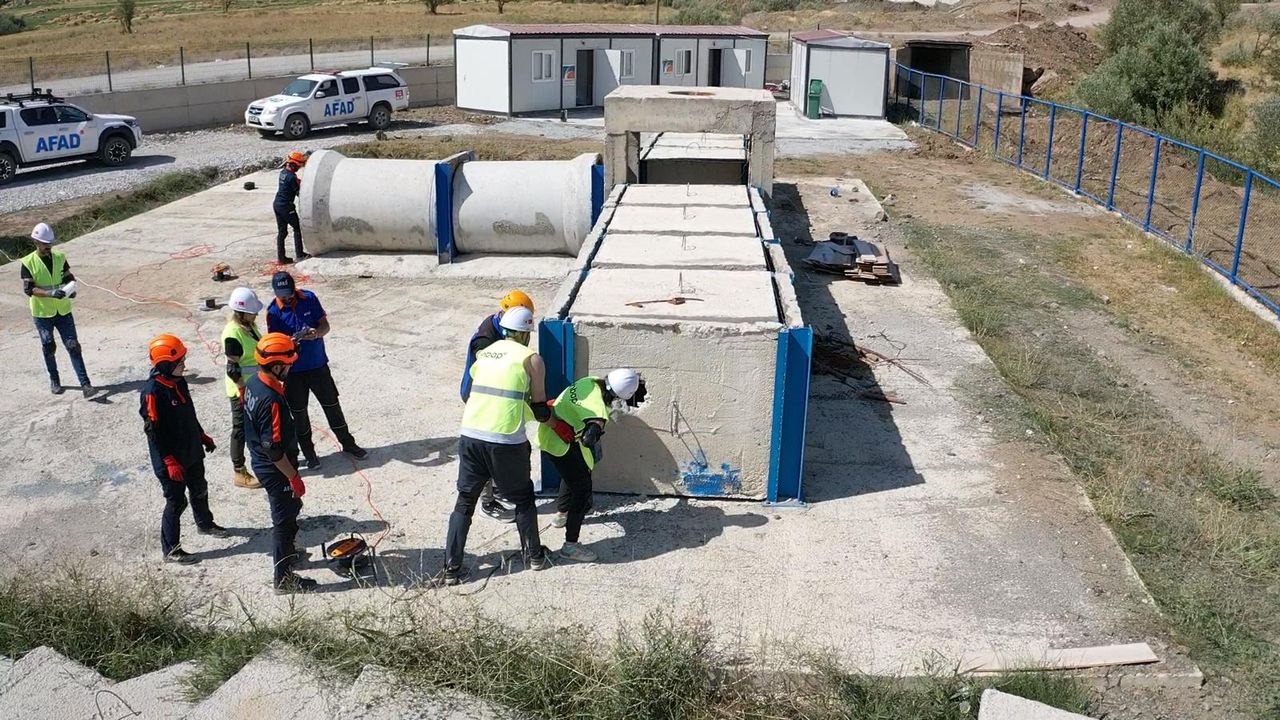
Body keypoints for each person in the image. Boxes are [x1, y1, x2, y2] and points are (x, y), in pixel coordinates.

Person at [442, 306, 553, 585]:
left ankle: (451, 569)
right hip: (505, 441)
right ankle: (535, 557)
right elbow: (539, 406)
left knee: (464, 502)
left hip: (470, 435)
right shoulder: (532, 360)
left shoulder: (484, 355)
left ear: (504, 330)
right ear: (527, 334)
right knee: (523, 497)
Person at [539, 369, 647, 562]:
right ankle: (570, 546)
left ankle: (561, 514)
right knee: (582, 490)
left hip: (548, 434)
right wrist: (596, 428)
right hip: (564, 443)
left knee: (570, 475)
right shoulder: (598, 410)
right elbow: (589, 439)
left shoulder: (589, 382)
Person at [139, 334, 230, 565]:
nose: (184, 365)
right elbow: (154, 432)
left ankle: (205, 524)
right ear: (166, 364)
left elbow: (188, 413)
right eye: (180, 361)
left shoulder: (179, 381)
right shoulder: (152, 392)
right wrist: (169, 460)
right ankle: (171, 549)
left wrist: (201, 435)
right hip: (171, 461)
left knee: (200, 488)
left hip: (190, 450)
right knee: (176, 502)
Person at [266, 271, 366, 468]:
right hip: (293, 372)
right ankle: (309, 453)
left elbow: (325, 325)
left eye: (288, 293)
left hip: (318, 366)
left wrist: (316, 334)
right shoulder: (273, 312)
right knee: (300, 414)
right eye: (282, 295)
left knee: (332, 406)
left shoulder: (309, 298)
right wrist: (291, 342)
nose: (286, 298)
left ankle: (348, 443)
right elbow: (275, 344)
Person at [242, 332, 316, 594]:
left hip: (266, 462)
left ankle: (288, 554)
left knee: (292, 509)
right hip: (276, 467)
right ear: (275, 366)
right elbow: (273, 449)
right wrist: (293, 477)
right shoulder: (271, 400)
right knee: (283, 521)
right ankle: (283, 580)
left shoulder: (255, 383)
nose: (291, 366)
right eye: (287, 364)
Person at [460, 289, 535, 523]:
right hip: (481, 394)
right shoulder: (486, 337)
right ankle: (487, 502)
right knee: (487, 447)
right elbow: (490, 369)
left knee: (499, 449)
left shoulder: (502, 326)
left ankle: (501, 485)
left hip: (492, 394)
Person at [21, 223, 95, 397]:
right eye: (45, 244)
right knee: (49, 346)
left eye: (50, 244)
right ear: (36, 242)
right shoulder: (27, 263)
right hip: (42, 313)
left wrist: (71, 288)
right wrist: (50, 293)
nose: (49, 247)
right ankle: (54, 379)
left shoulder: (60, 257)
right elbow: (29, 289)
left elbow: (68, 276)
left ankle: (86, 385)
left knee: (73, 346)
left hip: (63, 311)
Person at [222, 287, 264, 490]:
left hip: (255, 386)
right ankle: (239, 472)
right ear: (241, 311)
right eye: (252, 311)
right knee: (240, 429)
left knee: (258, 427)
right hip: (241, 390)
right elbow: (232, 369)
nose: (256, 314)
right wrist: (241, 390)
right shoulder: (233, 333)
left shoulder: (250, 327)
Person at [274, 151, 309, 264]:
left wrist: (297, 181)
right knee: (297, 228)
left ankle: (281, 258)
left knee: (282, 232)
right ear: (293, 164)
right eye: (298, 166)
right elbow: (299, 193)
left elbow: (291, 182)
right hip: (286, 206)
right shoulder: (291, 177)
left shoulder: (283, 173)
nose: (298, 168)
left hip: (277, 204)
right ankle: (300, 254)